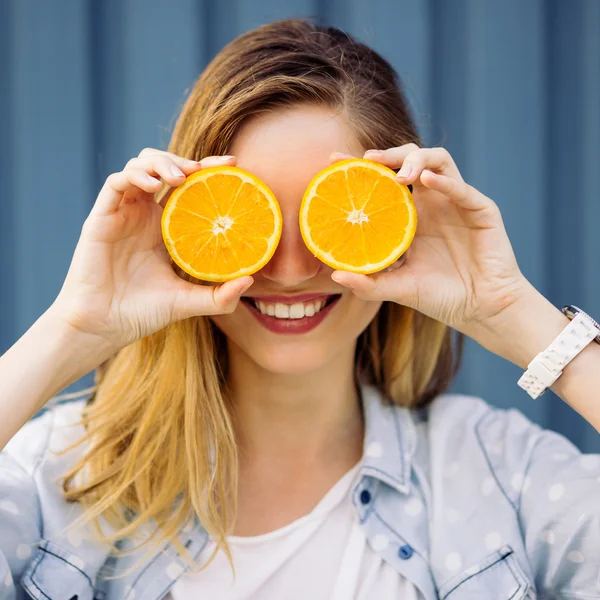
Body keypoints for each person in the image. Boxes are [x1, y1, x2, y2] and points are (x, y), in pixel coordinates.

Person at [1, 18, 599, 600]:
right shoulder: (58, 480)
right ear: (182, 225)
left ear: (401, 222)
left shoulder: (499, 473)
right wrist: (71, 331)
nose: (288, 273)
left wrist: (517, 316)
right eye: (252, 222)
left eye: (328, 221)